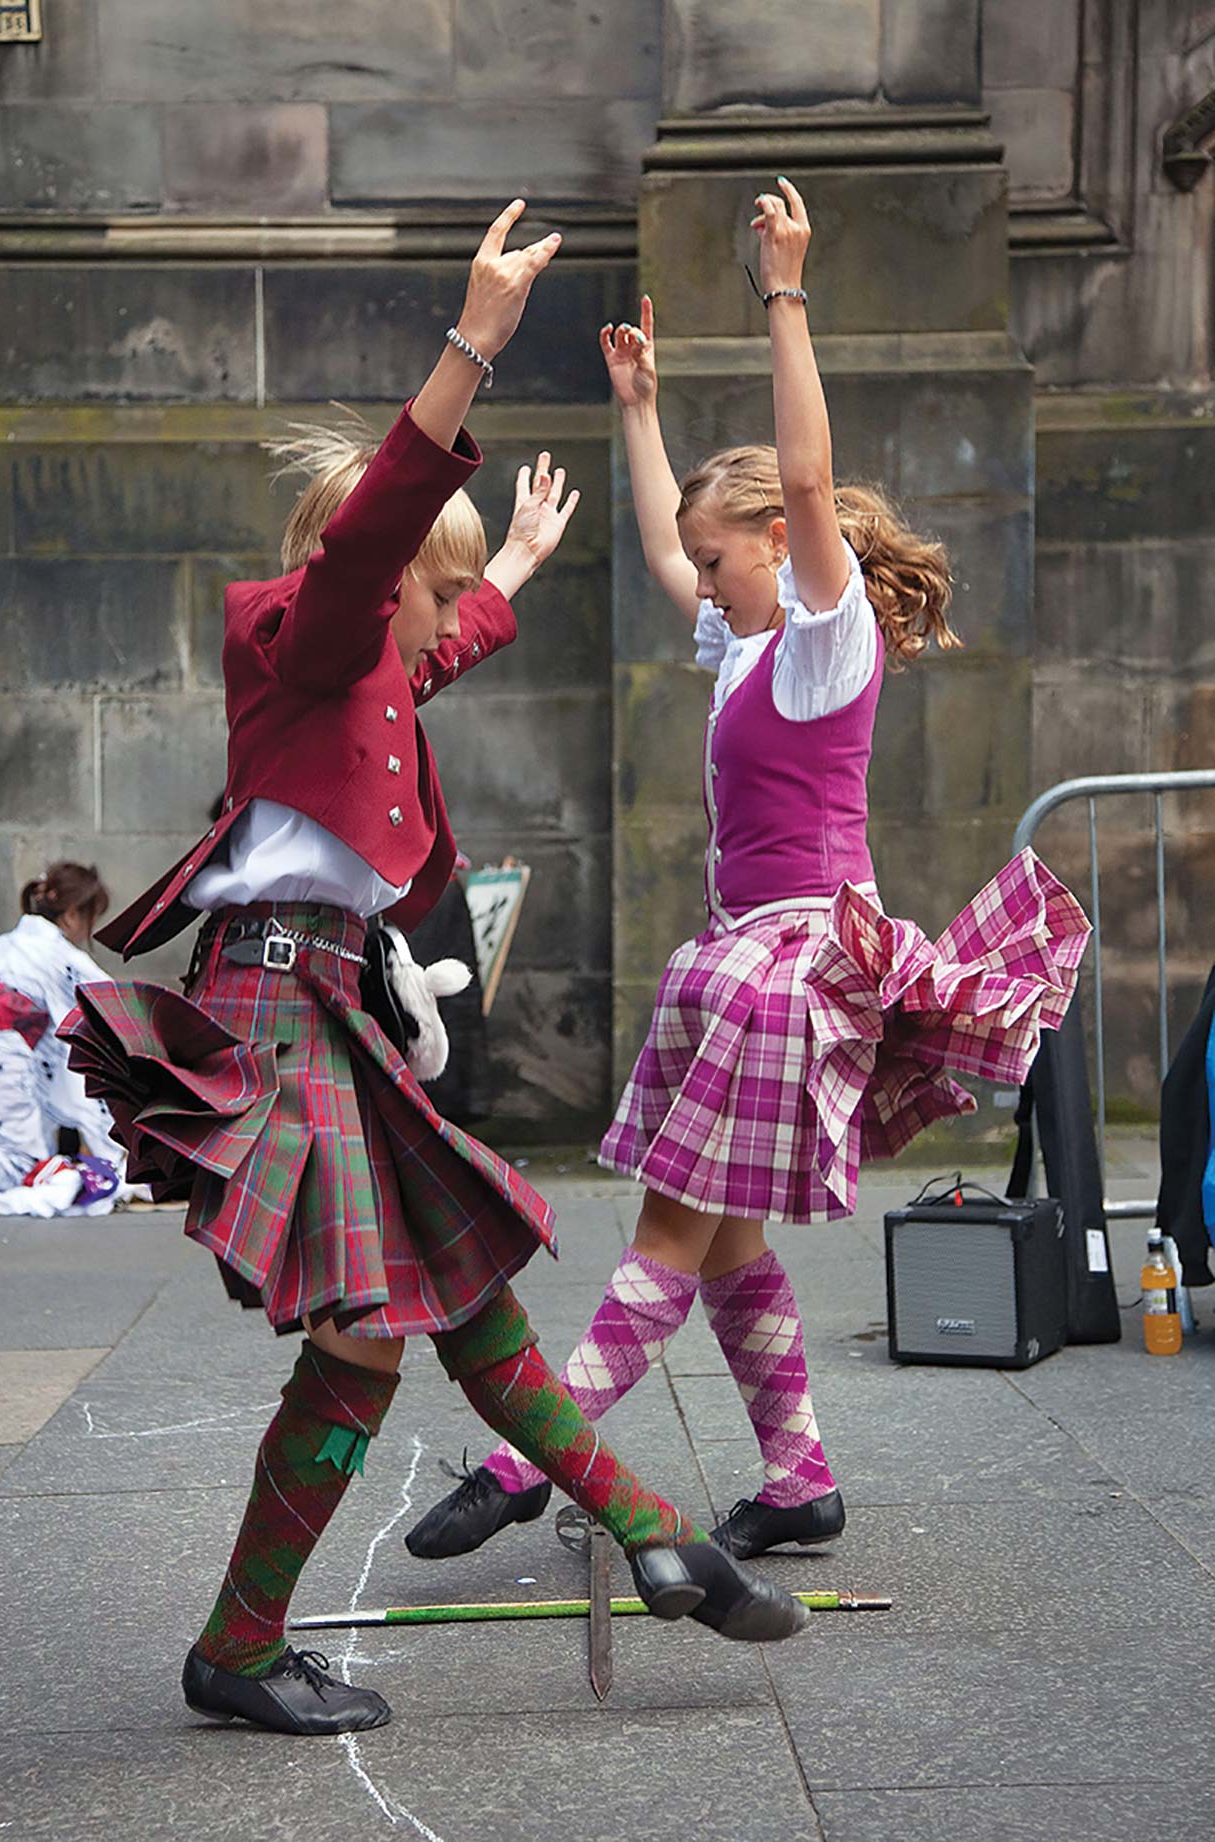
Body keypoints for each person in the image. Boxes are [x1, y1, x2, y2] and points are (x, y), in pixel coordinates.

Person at [60, 200, 809, 1742]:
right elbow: (376, 543)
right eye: (435, 581)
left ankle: (643, 1524)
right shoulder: (311, 628)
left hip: (330, 1005)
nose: (440, 614)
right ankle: (250, 1638)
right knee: (377, 1327)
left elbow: (437, 652)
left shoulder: (374, 665)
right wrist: (474, 338)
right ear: (386, 571)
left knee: (456, 1299)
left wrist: (521, 567)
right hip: (282, 1008)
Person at [407, 179, 1090, 1567]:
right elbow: (669, 540)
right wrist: (642, 407)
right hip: (745, 956)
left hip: (793, 966)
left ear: (785, 542)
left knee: (672, 1225)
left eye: (724, 564)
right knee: (719, 1244)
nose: (698, 585)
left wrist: (785, 293)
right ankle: (797, 1481)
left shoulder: (831, 640)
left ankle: (524, 1460)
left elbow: (800, 459)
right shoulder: (747, 646)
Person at [0, 863, 128, 1207]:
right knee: (28, 1169)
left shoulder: (7, 942)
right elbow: (106, 1017)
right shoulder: (59, 956)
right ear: (75, 913)